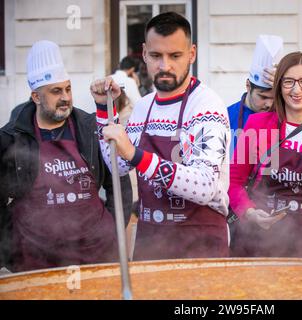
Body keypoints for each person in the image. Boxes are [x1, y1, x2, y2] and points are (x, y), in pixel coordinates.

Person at [90, 12, 230, 260]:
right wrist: (104, 109)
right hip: (151, 240)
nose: (165, 66)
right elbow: (117, 165)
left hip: (200, 244)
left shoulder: (206, 106)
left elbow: (205, 186)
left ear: (192, 54)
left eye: (175, 56)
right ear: (144, 53)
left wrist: (136, 155)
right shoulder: (143, 107)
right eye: (156, 56)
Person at [0, 40, 132, 272]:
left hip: (97, 254)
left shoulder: (90, 127)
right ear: (36, 97)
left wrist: (112, 228)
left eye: (68, 89)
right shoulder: (11, 138)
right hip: (36, 259)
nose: (65, 98)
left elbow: (118, 180)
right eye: (56, 91)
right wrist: (8, 249)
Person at [228, 51, 302, 258]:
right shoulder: (256, 125)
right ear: (279, 87)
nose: (296, 89)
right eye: (288, 82)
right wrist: (250, 213)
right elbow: (234, 182)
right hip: (260, 243)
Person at [227, 35, 283, 154]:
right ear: (248, 85)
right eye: (263, 97)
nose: (270, 104)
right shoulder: (226, 117)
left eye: (275, 98)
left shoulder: (285, 117)